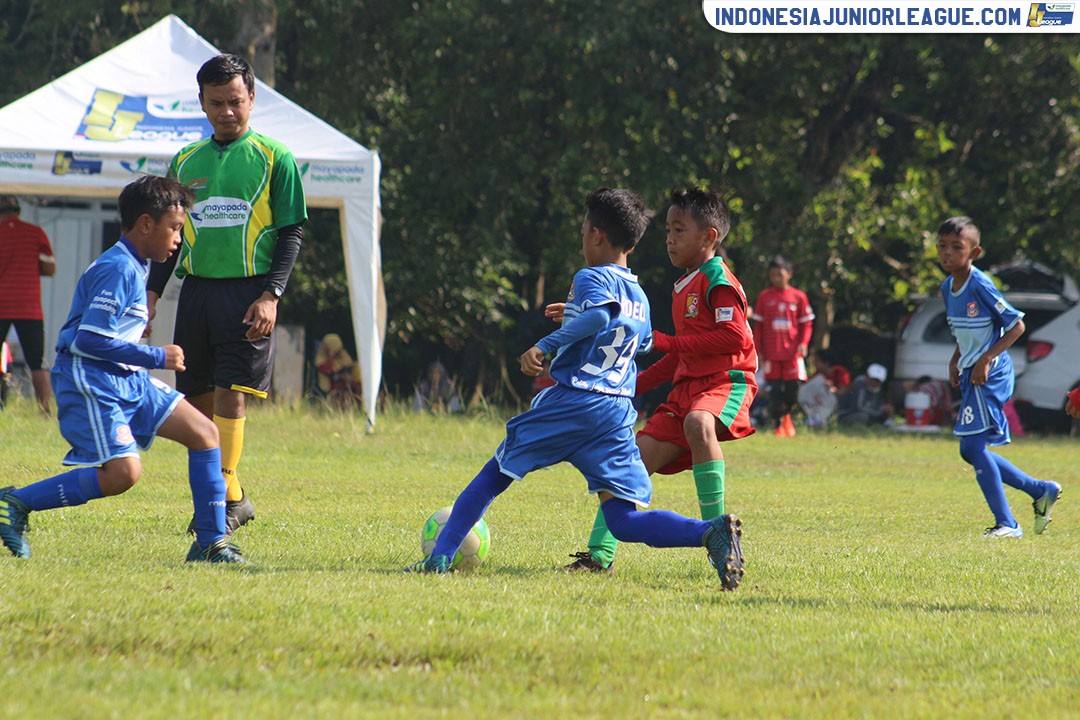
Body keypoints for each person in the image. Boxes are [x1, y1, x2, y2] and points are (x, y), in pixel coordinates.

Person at [404, 188, 745, 590]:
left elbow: (601, 317)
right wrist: (578, 316)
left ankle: (440, 558)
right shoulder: (640, 295)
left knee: (495, 474)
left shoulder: (589, 277)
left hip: (573, 402)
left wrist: (545, 344)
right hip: (615, 413)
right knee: (623, 521)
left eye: (584, 231)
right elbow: (637, 339)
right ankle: (709, 532)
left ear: (597, 235)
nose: (583, 238)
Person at [0, 176, 243, 563]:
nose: (178, 239)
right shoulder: (119, 268)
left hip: (125, 375)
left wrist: (136, 339)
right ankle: (15, 502)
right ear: (146, 224)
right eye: (175, 229)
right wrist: (156, 356)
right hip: (92, 379)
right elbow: (87, 340)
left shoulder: (135, 263)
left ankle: (210, 544)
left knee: (204, 433)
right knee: (122, 474)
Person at [147, 53, 308, 534]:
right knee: (195, 401)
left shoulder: (275, 157)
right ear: (202, 102)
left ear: (252, 99)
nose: (227, 111)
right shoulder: (185, 161)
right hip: (196, 293)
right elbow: (172, 238)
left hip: (248, 294)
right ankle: (233, 496)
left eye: (236, 101)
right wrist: (153, 292)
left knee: (230, 394)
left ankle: (216, 506)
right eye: (216, 102)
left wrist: (271, 295)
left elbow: (292, 233)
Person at [564, 187, 757, 573]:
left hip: (724, 382)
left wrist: (666, 340)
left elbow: (736, 337)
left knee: (698, 422)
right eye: (668, 229)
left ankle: (719, 537)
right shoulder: (684, 284)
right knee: (625, 463)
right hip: (686, 391)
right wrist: (632, 386)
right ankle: (599, 557)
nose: (669, 238)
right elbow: (683, 353)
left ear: (709, 237)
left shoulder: (716, 277)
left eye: (679, 230)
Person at [936, 216, 1060, 538]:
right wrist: (956, 358)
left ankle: (1008, 524)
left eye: (956, 247)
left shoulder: (980, 284)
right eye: (942, 246)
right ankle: (1039, 490)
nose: (947, 253)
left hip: (990, 374)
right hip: (973, 371)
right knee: (970, 449)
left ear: (974, 252)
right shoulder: (947, 287)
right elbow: (964, 330)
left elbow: (1016, 325)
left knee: (974, 447)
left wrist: (986, 359)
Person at [0, 195, 56, 413]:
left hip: (1, 304)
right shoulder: (35, 233)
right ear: (18, 211)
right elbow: (50, 268)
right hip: (29, 306)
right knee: (37, 362)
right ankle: (45, 411)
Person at [751, 254, 814, 437]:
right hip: (772, 354)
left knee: (793, 388)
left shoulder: (799, 297)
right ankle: (779, 424)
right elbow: (759, 328)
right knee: (775, 390)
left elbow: (806, 324)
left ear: (789, 274)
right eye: (773, 275)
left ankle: (787, 417)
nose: (776, 278)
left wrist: (803, 343)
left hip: (792, 353)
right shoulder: (764, 297)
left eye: (779, 274)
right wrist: (759, 351)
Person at [314, 332, 362, 409]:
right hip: (330, 384)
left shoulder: (342, 354)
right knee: (342, 387)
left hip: (344, 380)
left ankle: (359, 407)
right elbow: (328, 371)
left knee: (357, 385)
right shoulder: (320, 359)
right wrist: (331, 355)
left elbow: (348, 364)